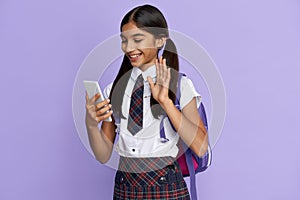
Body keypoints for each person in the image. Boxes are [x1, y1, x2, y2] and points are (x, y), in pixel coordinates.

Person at [85, 4, 208, 200]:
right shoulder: (114, 90)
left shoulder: (181, 86)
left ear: (160, 40)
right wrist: (91, 124)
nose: (129, 48)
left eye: (138, 39)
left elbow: (201, 147)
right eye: (124, 41)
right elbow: (103, 155)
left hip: (167, 186)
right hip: (125, 189)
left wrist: (166, 102)